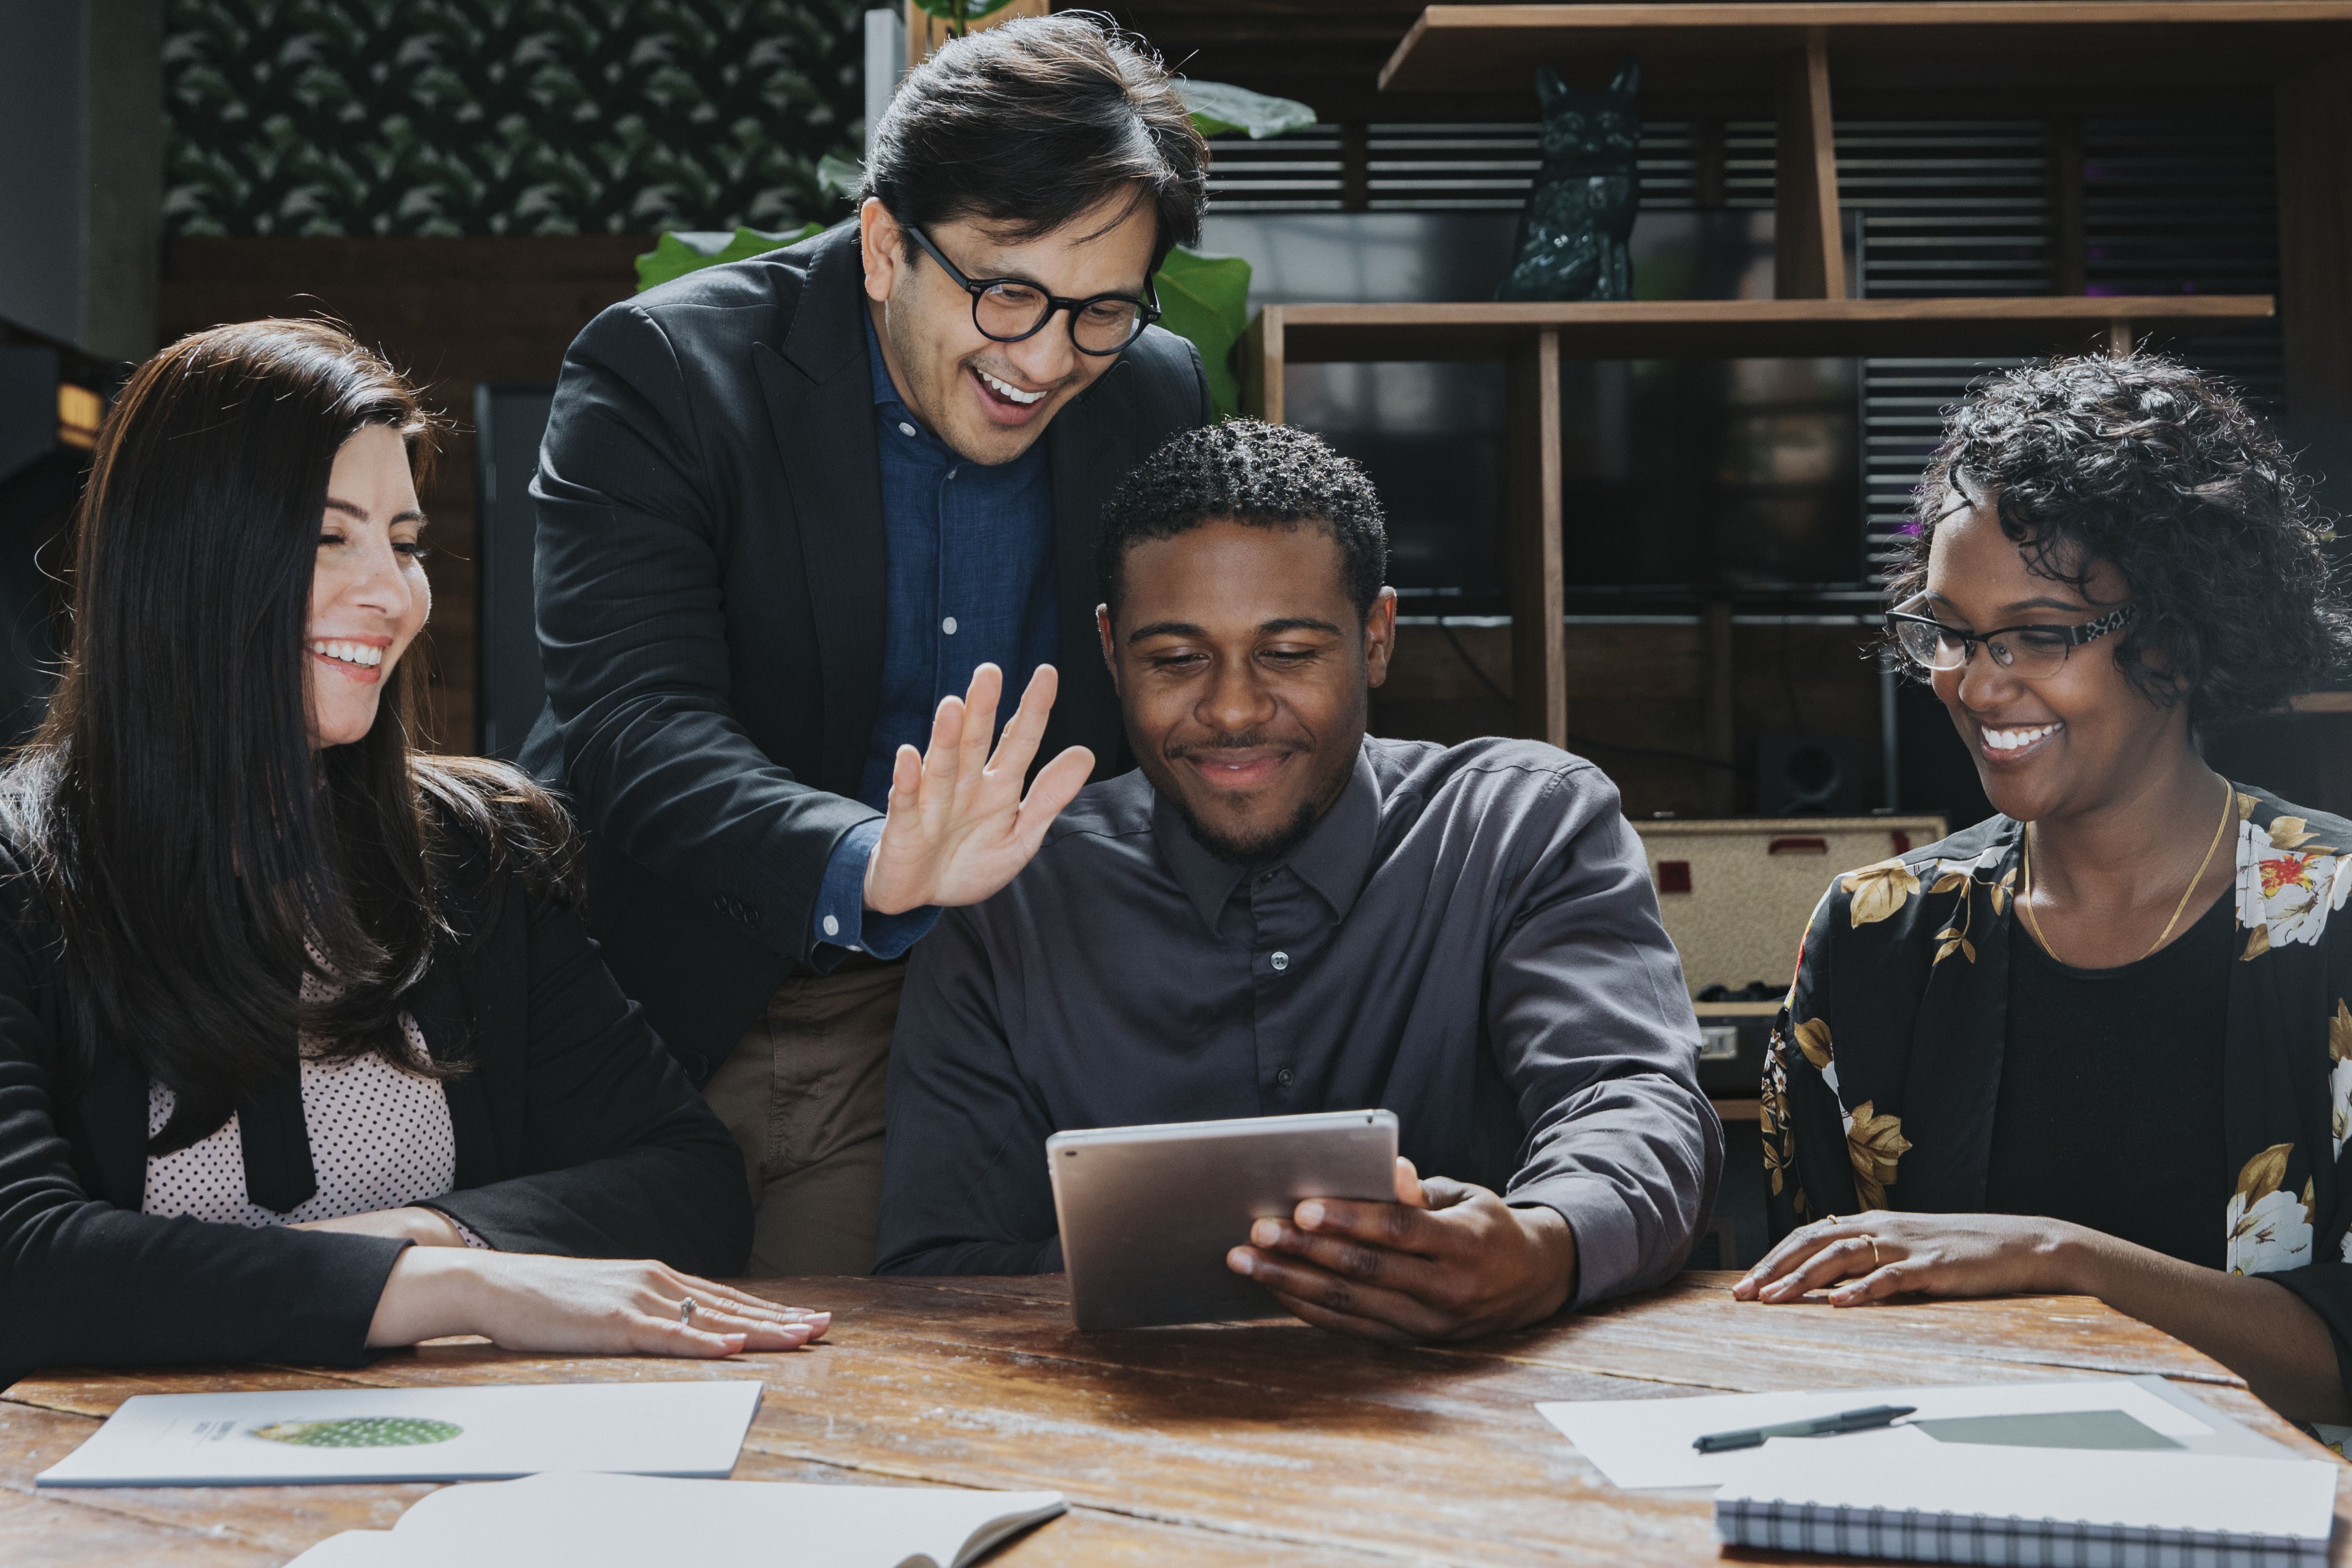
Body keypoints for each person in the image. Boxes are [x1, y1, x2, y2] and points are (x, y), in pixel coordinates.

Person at [0, 320, 826, 1386]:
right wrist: (464, 1284)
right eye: (328, 537)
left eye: (404, 540)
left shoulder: (478, 854)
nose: (392, 595)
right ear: (181, 557)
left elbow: (687, 1182)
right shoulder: (24, 875)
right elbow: (25, 1269)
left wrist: (425, 1236)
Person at [524, 14, 1213, 1276]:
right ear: (888, 243)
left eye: (1101, 309)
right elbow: (633, 726)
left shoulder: (1153, 390)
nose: (1048, 358)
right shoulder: (669, 371)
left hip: (997, 1011)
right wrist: (871, 861)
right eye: (1008, 294)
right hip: (700, 1003)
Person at [875, 420, 1722, 1342]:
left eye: (1288, 654)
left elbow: (1631, 1100)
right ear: (1112, 652)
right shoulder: (1010, 891)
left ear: (1378, 637)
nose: (1234, 710)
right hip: (1112, 1426)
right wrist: (1216, 1278)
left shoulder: (1524, 829)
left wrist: (1544, 1245)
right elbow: (940, 1262)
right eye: (1175, 659)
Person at [1741, 354, 2352, 1431]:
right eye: (1950, 631)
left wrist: (2057, 1258)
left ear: (2174, 633)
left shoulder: (2338, 920)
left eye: (2038, 634)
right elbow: (1819, 1313)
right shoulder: (1875, 932)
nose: (1978, 685)